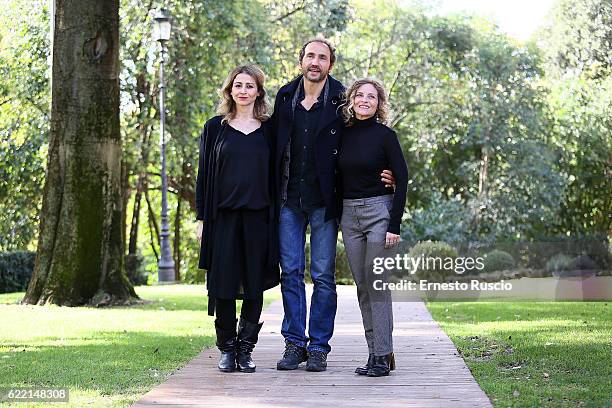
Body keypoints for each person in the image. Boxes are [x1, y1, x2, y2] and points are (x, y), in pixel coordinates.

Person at [272, 38, 395, 372]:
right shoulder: (285, 97)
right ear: (301, 60)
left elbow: (363, 140)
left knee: (323, 275)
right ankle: (294, 343)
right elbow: (272, 145)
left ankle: (318, 347)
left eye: (322, 57)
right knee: (291, 274)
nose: (315, 62)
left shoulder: (342, 99)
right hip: (288, 200)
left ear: (330, 64)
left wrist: (387, 174)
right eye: (310, 55)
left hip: (327, 202)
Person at [195, 65, 279, 373]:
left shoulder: (270, 130)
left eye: (249, 86)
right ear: (230, 90)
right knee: (224, 286)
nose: (243, 90)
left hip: (260, 219)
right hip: (223, 219)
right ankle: (227, 349)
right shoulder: (214, 128)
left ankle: (246, 349)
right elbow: (203, 176)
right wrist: (201, 219)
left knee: (254, 286)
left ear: (258, 92)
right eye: (238, 85)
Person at [338, 78, 408, 377]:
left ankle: (381, 354)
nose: (365, 100)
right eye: (360, 95)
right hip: (348, 216)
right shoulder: (341, 134)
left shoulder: (386, 136)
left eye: (372, 96)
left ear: (379, 104)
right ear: (351, 99)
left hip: (380, 212)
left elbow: (402, 179)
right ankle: (377, 353)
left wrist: (394, 225)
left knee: (377, 284)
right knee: (364, 288)